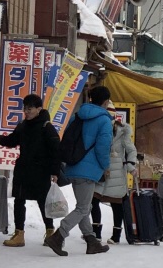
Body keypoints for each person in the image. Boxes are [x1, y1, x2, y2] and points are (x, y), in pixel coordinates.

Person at [44, 85, 114, 256]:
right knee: (83, 207)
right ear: (105, 102)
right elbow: (103, 147)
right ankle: (58, 236)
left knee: (84, 206)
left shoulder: (78, 117)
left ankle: (91, 241)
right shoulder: (104, 120)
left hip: (73, 166)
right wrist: (106, 166)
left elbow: (67, 139)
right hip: (88, 170)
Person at [0, 94, 61, 248]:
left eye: (29, 108)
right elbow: (13, 139)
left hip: (40, 171)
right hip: (23, 169)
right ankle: (19, 234)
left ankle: (50, 232)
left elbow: (56, 151)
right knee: (19, 200)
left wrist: (55, 172)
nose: (26, 111)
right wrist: (0, 139)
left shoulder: (47, 127)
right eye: (25, 108)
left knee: (43, 202)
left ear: (39, 109)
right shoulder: (23, 125)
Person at [92, 113, 139, 243]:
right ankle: (96, 233)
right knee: (93, 200)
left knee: (116, 203)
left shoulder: (122, 132)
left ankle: (116, 235)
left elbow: (132, 150)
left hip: (116, 173)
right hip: (101, 171)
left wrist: (130, 166)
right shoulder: (99, 129)